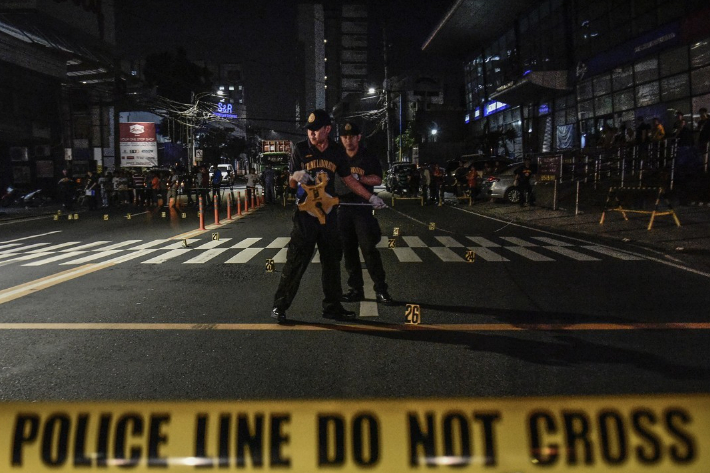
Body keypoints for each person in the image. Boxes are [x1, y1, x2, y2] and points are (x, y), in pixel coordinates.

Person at [271, 109, 386, 323]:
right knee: (296, 261)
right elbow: (291, 183)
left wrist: (370, 198)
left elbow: (349, 180)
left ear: (327, 129)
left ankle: (332, 307)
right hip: (305, 216)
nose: (312, 135)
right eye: (310, 131)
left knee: (332, 263)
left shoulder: (336, 151)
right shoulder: (300, 149)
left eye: (316, 130)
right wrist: (296, 176)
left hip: (329, 215)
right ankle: (280, 306)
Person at [336, 121, 393, 305]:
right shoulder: (337, 157)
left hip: (362, 208)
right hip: (342, 208)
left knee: (369, 249)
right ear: (341, 138)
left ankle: (381, 289)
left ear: (358, 137)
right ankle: (356, 289)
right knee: (349, 251)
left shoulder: (367, 157)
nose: (348, 140)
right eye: (345, 137)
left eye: (352, 136)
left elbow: (377, 178)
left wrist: (360, 178)